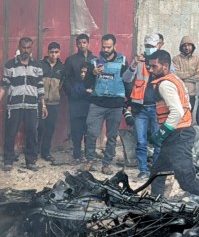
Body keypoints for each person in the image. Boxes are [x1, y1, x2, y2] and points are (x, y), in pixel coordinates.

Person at [146, 50, 199, 206]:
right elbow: (187, 105)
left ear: (165, 66)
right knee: (157, 173)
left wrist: (161, 133)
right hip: (177, 135)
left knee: (187, 182)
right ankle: (154, 205)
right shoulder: (175, 80)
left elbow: (177, 111)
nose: (150, 70)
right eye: (149, 67)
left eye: (154, 66)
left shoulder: (164, 85)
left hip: (178, 136)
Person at [0, 36, 46, 171]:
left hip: (32, 106)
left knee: (32, 134)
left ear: (31, 49)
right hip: (14, 105)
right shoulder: (10, 65)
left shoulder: (37, 66)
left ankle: (31, 161)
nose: (26, 50)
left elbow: (40, 87)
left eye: (28, 48)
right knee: (10, 133)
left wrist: (43, 105)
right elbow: (4, 85)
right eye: (23, 47)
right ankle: (8, 161)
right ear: (19, 47)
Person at [83, 34, 128, 174]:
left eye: (109, 47)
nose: (106, 49)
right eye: (104, 46)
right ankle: (90, 160)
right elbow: (86, 84)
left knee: (112, 135)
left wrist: (128, 103)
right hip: (97, 103)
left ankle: (107, 163)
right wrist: (92, 73)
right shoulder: (95, 62)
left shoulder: (123, 61)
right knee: (91, 132)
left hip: (115, 104)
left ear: (115, 46)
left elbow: (128, 81)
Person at [123, 33, 163, 179]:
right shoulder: (138, 62)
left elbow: (173, 79)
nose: (148, 49)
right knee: (140, 141)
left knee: (158, 141)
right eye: (147, 46)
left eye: (151, 46)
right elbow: (126, 78)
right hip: (141, 108)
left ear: (158, 45)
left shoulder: (164, 62)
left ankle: (156, 170)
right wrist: (134, 64)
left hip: (157, 108)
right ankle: (143, 170)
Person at [63, 34, 96, 163]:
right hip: (76, 100)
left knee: (90, 128)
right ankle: (77, 153)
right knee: (77, 129)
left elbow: (99, 78)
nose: (82, 45)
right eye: (80, 43)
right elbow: (65, 80)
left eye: (84, 42)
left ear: (88, 43)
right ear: (76, 44)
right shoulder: (71, 60)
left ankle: (89, 154)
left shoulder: (95, 59)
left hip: (91, 100)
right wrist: (72, 92)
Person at [39, 41, 66, 164]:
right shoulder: (40, 65)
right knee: (37, 127)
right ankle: (34, 152)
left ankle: (45, 152)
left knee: (49, 128)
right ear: (47, 52)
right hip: (39, 102)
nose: (53, 55)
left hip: (54, 104)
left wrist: (55, 95)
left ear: (59, 53)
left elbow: (61, 85)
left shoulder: (62, 68)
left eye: (56, 52)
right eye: (51, 52)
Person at [172, 36, 199, 108]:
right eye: (185, 46)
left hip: (191, 93)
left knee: (189, 115)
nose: (187, 48)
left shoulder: (197, 59)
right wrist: (191, 73)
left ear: (192, 46)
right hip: (178, 92)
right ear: (181, 47)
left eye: (189, 45)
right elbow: (175, 75)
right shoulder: (176, 59)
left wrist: (183, 78)